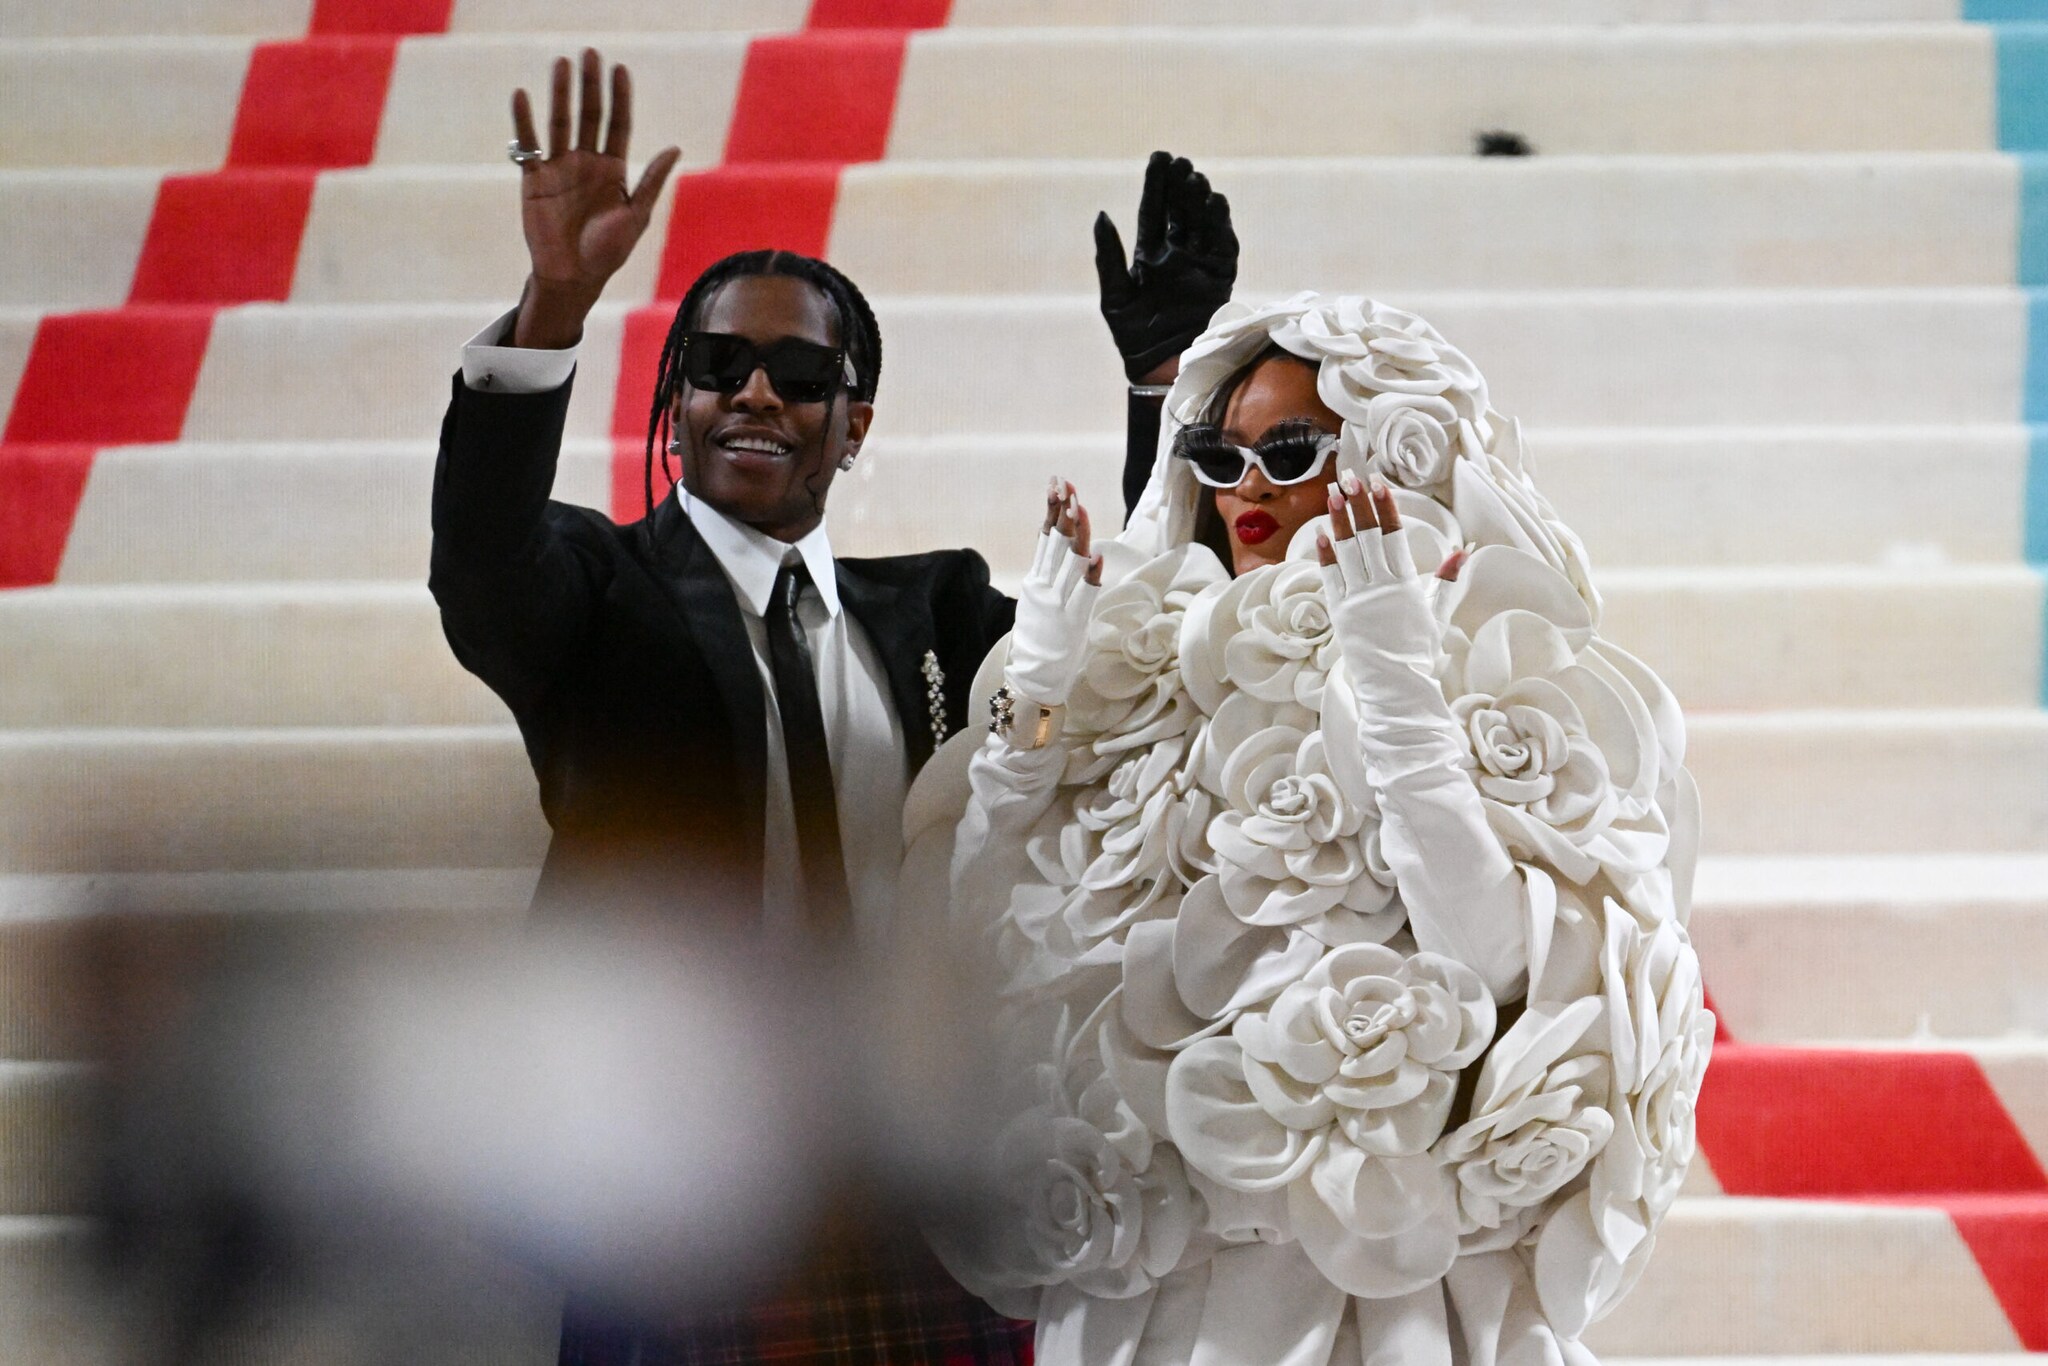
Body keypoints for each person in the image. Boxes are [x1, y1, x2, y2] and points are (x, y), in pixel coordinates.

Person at [427, 49, 1238, 1366]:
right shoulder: (589, 588)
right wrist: (553, 309)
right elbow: (478, 552)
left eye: (798, 376)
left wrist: (1163, 392)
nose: (754, 392)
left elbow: (1117, 663)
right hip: (675, 1184)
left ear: (851, 424)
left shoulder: (939, 607)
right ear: (673, 401)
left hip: (913, 1171)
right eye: (717, 364)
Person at [910, 291, 1710, 1364]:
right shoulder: (1140, 670)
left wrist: (1389, 675)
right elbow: (988, 933)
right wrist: (1041, 687)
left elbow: (1497, 953)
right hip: (1153, 1294)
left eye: (1290, 452)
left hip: (1385, 1291)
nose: (1246, 486)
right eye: (1216, 451)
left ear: (1385, 457)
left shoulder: (1490, 673)